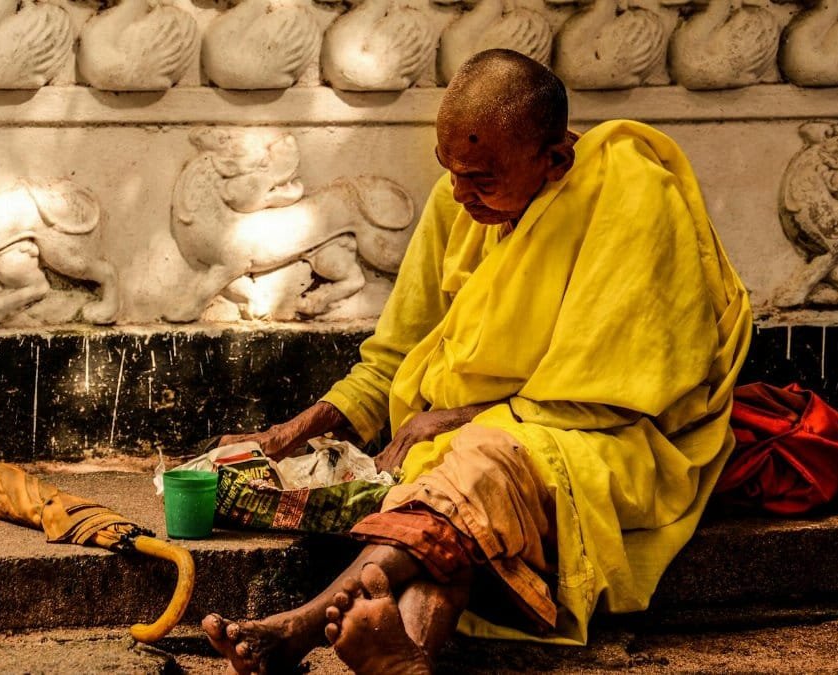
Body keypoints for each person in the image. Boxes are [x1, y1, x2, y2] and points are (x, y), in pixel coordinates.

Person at [204, 48, 753, 674]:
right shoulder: (458, 198)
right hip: (473, 455)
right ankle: (408, 658)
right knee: (461, 485)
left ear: (555, 159)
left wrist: (454, 419)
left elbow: (618, 392)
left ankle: (303, 624)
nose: (460, 194)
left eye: (482, 179)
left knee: (480, 460)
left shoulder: (631, 194)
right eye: (450, 170)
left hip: (616, 440)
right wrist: (290, 432)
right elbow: (395, 353)